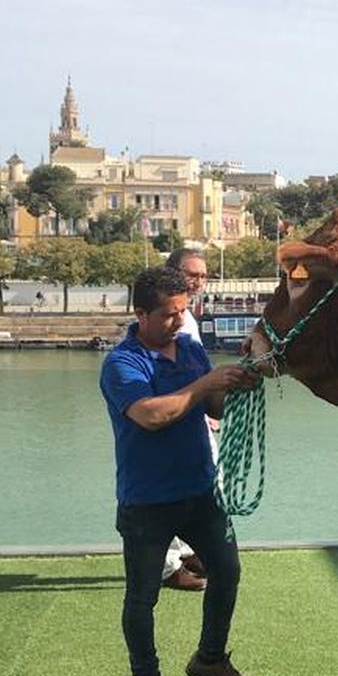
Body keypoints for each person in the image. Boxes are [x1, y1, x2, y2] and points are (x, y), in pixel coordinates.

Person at [100, 265, 262, 676]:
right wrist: (206, 384)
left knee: (227, 571)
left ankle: (210, 659)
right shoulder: (121, 364)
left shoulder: (190, 349)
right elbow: (150, 415)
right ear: (141, 313)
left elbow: (212, 406)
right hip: (146, 502)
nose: (179, 320)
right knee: (142, 597)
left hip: (200, 492)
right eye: (169, 314)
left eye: (183, 310)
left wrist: (236, 385)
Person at [157, 249, 215, 592]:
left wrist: (205, 410)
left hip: (191, 415)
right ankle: (167, 567)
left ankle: (188, 551)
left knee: (201, 484)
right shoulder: (171, 318)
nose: (198, 281)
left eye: (203, 275)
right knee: (168, 490)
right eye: (191, 274)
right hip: (174, 417)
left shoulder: (188, 315)